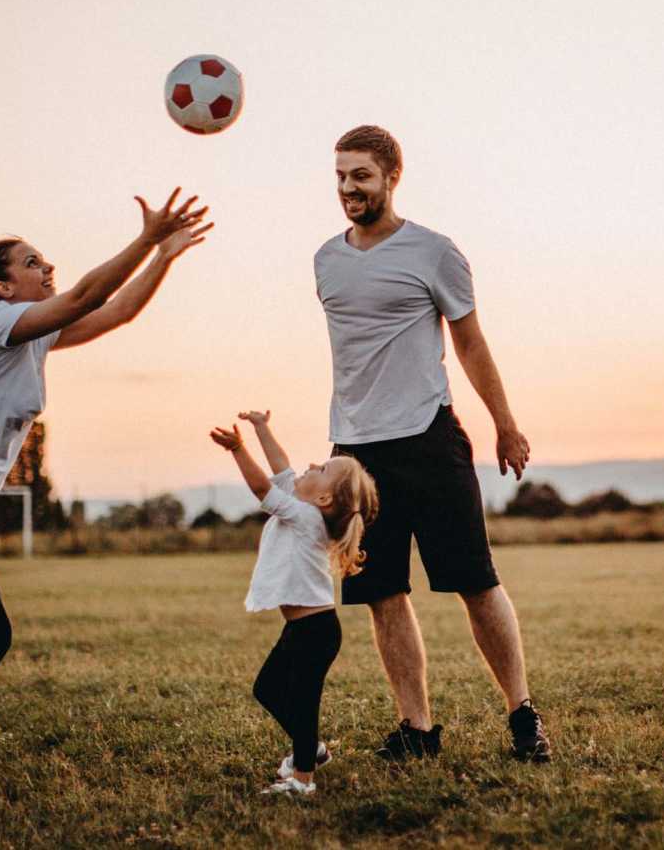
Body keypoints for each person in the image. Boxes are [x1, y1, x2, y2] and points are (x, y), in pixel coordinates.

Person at [0, 189, 211, 798]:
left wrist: (164, 256)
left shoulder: (31, 336)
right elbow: (87, 296)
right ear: (2, 288)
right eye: (32, 263)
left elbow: (114, 313)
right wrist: (144, 239)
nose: (47, 268)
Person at [314, 125, 551, 763]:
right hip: (355, 455)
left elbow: (470, 343)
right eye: (340, 175)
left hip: (429, 438)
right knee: (382, 592)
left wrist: (504, 422)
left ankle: (522, 716)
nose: (347, 188)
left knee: (475, 580)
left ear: (392, 176)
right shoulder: (325, 260)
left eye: (360, 175)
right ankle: (416, 729)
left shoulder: (435, 252)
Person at [209, 410, 378, 797]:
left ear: (323, 497)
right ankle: (312, 748)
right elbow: (282, 469)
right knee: (267, 688)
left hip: (314, 631)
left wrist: (238, 449)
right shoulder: (306, 507)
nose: (313, 464)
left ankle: (302, 778)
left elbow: (262, 490)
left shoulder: (303, 516)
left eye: (322, 468)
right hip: (304, 628)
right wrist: (263, 427)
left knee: (302, 702)